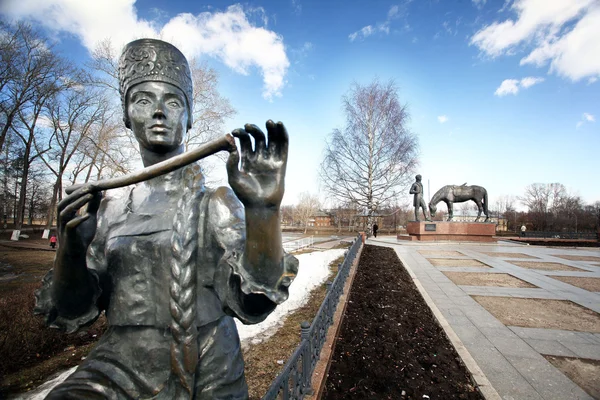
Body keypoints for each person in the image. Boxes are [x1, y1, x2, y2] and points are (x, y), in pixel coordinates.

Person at [34, 39, 298, 400]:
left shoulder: (215, 202)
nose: (159, 112)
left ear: (188, 118)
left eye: (173, 102)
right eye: (143, 100)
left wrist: (263, 211)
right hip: (119, 366)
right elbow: (73, 312)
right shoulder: (108, 209)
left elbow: (255, 302)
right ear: (126, 115)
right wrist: (71, 252)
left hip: (205, 363)